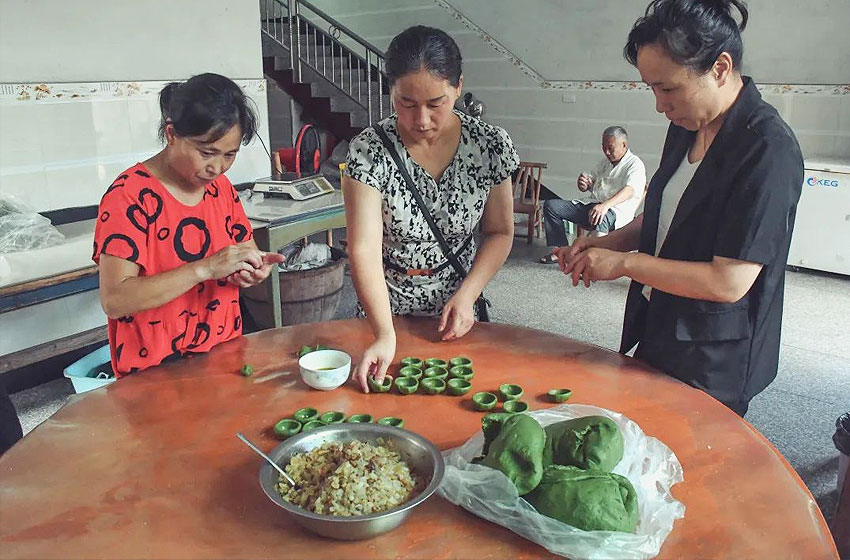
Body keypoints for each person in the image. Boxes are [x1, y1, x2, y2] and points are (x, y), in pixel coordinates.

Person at [559, 0, 803, 416]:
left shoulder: (766, 149)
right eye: (651, 88)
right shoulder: (685, 126)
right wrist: (606, 243)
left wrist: (624, 265)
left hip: (713, 351)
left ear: (721, 68)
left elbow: (728, 283)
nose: (659, 105)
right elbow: (663, 217)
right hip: (660, 319)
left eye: (668, 88)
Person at [343, 26, 518, 392]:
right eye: (406, 103)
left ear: (458, 87)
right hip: (385, 308)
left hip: (459, 308)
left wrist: (469, 294)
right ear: (390, 90)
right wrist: (383, 331)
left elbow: (500, 232)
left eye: (435, 104)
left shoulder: (489, 145)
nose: (421, 120)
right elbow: (364, 249)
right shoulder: (368, 152)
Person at [93, 73, 283, 376]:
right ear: (172, 134)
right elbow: (116, 299)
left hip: (222, 353)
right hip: (155, 368)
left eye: (229, 155)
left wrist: (253, 268)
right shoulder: (129, 196)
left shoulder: (221, 190)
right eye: (206, 153)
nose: (217, 167)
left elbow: (243, 250)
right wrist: (203, 269)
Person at [539, 127, 646, 263]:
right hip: (592, 205)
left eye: (611, 148)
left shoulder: (635, 164)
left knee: (602, 215)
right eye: (604, 147)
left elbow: (630, 190)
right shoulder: (605, 162)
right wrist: (584, 184)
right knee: (551, 206)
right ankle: (562, 250)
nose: (606, 152)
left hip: (615, 211)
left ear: (624, 145)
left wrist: (605, 206)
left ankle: (596, 259)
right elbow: (591, 181)